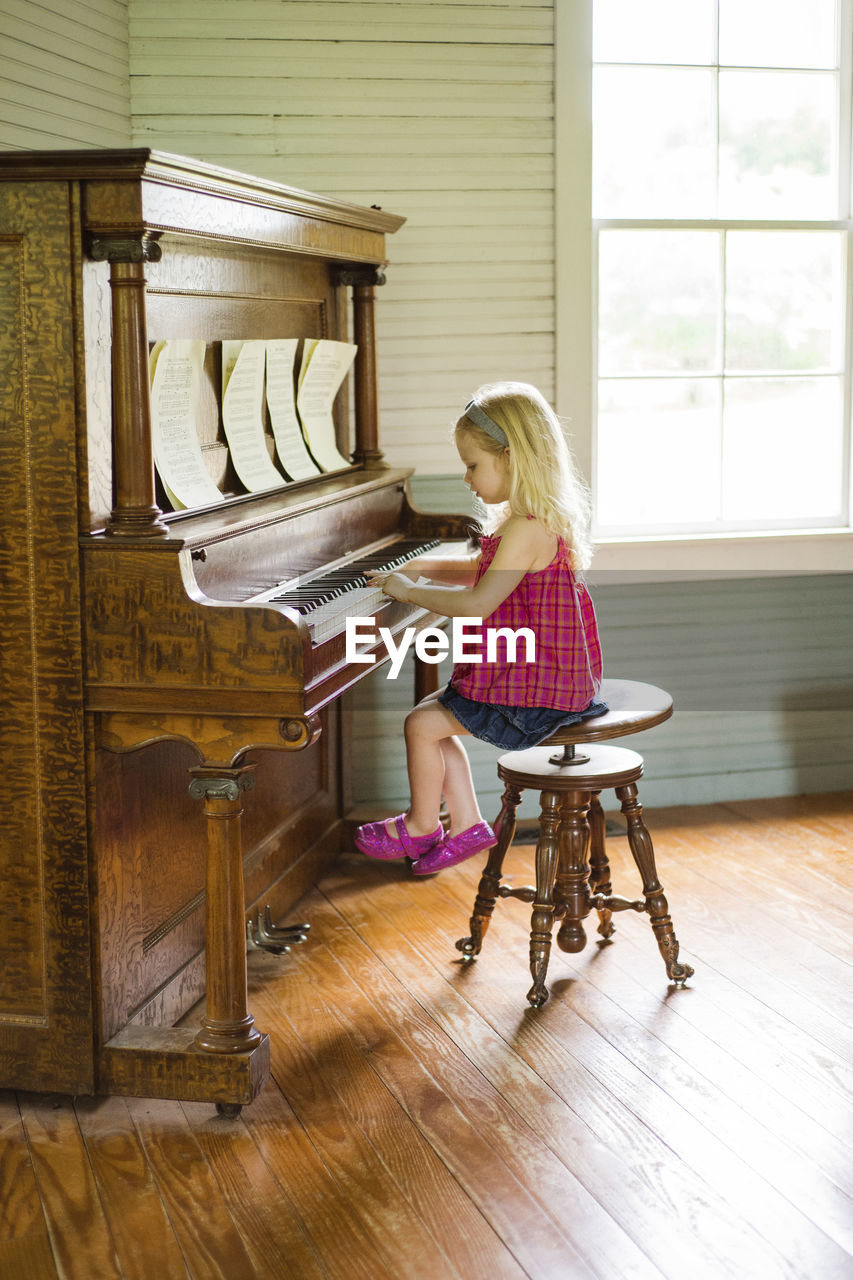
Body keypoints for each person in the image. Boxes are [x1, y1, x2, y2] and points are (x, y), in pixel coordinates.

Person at [354, 381, 606, 875]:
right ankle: (467, 822)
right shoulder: (532, 519)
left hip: (539, 687)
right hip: (542, 672)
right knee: (433, 713)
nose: (466, 477)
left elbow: (477, 603)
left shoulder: (526, 530)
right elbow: (482, 578)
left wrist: (407, 591)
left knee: (421, 725)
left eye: (473, 465)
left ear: (511, 457)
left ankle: (424, 824)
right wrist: (420, 570)